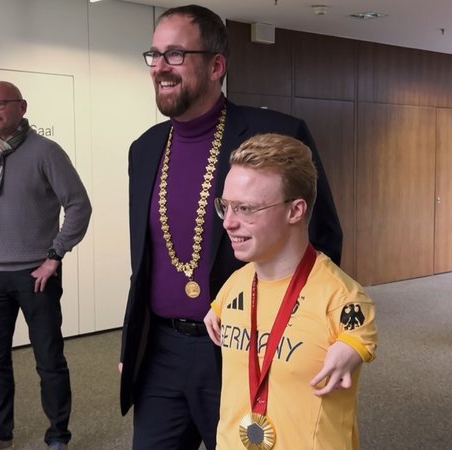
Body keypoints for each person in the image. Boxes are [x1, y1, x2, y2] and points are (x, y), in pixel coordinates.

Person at [119, 5, 343, 449]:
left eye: (176, 54)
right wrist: (133, 345)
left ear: (216, 65)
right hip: (161, 353)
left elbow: (324, 241)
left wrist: (317, 337)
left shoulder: (276, 134)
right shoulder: (144, 150)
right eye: (155, 54)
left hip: (247, 348)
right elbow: (146, 262)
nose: (160, 67)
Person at [204, 133, 377, 449]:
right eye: (225, 206)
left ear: (295, 211)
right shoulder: (235, 285)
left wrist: (350, 349)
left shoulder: (342, 297)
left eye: (245, 209)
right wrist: (214, 311)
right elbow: (227, 306)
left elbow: (360, 334)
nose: (228, 222)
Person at [0, 81, 91, 450]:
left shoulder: (46, 152)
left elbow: (78, 205)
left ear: (22, 107)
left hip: (36, 276)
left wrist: (55, 256)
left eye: (0, 104)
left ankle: (58, 436)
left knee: (49, 360)